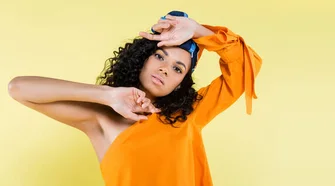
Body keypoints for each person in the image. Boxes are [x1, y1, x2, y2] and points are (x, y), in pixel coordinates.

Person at [7, 10, 262, 186]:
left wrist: (197, 30)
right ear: (142, 58)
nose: (165, 69)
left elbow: (245, 65)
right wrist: (108, 95)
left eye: (178, 69)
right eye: (160, 56)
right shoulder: (101, 119)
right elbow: (19, 88)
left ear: (180, 84)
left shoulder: (190, 115)